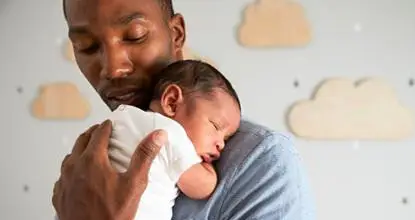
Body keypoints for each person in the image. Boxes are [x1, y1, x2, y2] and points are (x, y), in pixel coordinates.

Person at [52, 0, 316, 219]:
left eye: (135, 35)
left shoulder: (261, 162)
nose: (112, 69)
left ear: (176, 34)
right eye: (86, 46)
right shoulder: (90, 157)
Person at [107, 59, 241, 220]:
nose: (221, 144)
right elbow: (203, 187)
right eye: (216, 126)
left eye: (226, 138)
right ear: (172, 102)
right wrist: (207, 167)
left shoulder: (122, 118)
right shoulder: (170, 134)